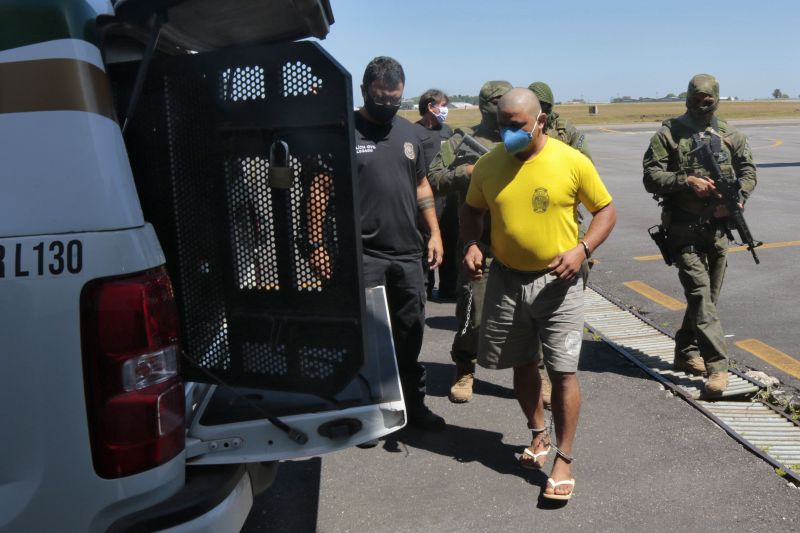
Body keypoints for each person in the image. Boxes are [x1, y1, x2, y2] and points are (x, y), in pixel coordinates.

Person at [460, 88, 616, 500]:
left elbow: (606, 210)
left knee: (563, 372)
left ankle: (563, 459)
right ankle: (538, 434)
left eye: (517, 126)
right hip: (507, 281)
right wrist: (472, 244)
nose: (508, 133)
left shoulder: (570, 161)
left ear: (540, 121)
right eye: (502, 125)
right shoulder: (489, 165)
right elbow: (472, 208)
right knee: (521, 365)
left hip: (559, 284)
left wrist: (582, 249)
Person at [309, 56, 445, 431]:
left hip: (406, 253)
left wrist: (434, 232)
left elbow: (421, 186)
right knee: (368, 339)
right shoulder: (343, 132)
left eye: (395, 99)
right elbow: (319, 189)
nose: (388, 106)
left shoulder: (408, 135)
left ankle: (413, 405)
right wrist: (316, 244)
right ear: (365, 91)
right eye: (381, 98)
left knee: (411, 330)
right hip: (362, 255)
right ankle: (367, 414)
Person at [643, 73, 757, 395]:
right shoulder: (669, 134)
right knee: (699, 295)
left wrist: (739, 197)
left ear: (717, 99)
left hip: (719, 230)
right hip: (683, 229)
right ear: (687, 98)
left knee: (708, 300)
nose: (701, 106)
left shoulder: (731, 135)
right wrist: (686, 181)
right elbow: (651, 176)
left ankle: (685, 351)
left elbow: (748, 171)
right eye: (696, 101)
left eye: (708, 102)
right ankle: (718, 368)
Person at [428, 80, 512, 403]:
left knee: (530, 315)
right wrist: (466, 172)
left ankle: (539, 370)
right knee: (471, 313)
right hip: (479, 241)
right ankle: (465, 367)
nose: (503, 106)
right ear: (483, 104)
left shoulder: (519, 139)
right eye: (497, 101)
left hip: (520, 242)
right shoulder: (463, 140)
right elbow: (434, 179)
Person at [528, 81, 593, 407]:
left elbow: (586, 172)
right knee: (535, 308)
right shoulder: (520, 130)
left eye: (544, 106)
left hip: (567, 229)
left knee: (563, 306)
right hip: (531, 224)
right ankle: (540, 375)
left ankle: (559, 374)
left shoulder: (570, 133)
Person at [414, 89, 454, 299]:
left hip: (448, 198)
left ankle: (449, 287)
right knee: (427, 242)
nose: (445, 109)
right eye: (442, 105)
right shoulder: (414, 133)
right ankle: (425, 287)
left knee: (450, 238)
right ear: (431, 106)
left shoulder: (448, 132)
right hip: (427, 199)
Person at [528, 81, 591, 160]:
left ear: (549, 106)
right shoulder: (521, 127)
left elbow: (585, 161)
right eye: (534, 104)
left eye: (543, 105)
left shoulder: (565, 129)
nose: (540, 109)